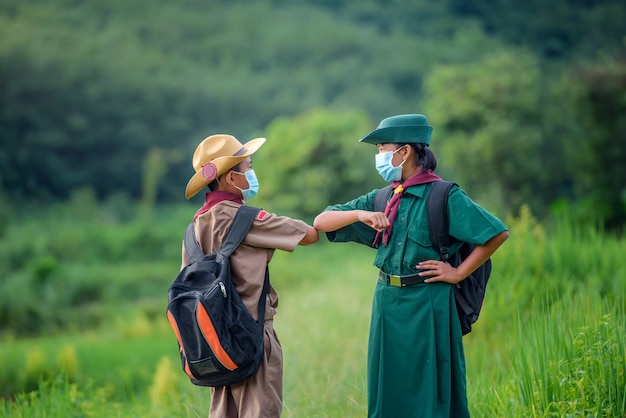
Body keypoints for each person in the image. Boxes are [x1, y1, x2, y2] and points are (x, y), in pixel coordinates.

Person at [313, 114, 509, 418]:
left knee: (431, 389)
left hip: (429, 303)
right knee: (387, 387)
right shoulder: (382, 198)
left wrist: (457, 272)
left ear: (404, 151)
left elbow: (496, 233)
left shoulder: (444, 196)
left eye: (382, 148)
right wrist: (358, 216)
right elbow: (321, 221)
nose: (379, 157)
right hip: (387, 303)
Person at [183, 133, 319, 418]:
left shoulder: (192, 229)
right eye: (248, 167)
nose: (252, 173)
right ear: (231, 179)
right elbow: (308, 235)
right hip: (252, 334)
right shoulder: (246, 218)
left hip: (216, 341)